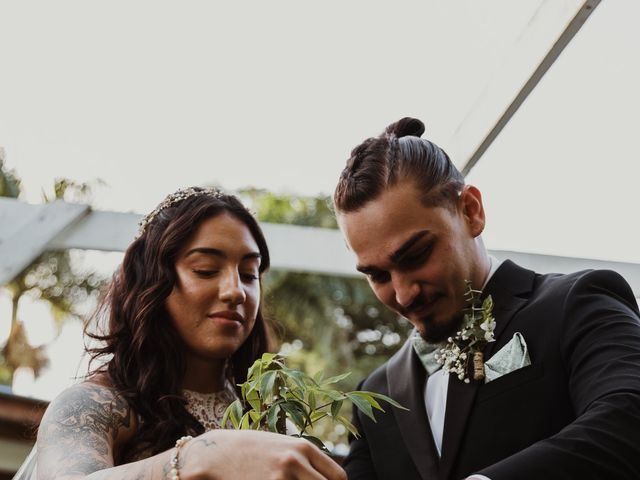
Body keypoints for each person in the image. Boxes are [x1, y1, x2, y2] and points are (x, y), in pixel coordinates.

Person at [332, 117, 640, 480]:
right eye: (378, 275)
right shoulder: (375, 395)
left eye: (415, 256)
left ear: (470, 211)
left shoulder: (578, 303)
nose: (403, 293)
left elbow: (627, 417)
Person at [19, 187, 346, 480]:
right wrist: (193, 458)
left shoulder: (269, 421)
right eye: (206, 270)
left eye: (248, 274)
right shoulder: (95, 407)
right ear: (153, 283)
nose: (236, 292)